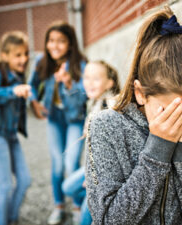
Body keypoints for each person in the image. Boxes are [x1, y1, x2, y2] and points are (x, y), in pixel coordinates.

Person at [85, 6, 182, 225]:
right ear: (140, 94)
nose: (180, 122)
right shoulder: (107, 127)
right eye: (170, 111)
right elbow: (108, 220)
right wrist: (158, 149)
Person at [28, 21, 87, 225]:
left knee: (71, 163)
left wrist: (69, 84)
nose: (54, 45)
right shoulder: (41, 61)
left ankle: (79, 204)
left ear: (70, 44)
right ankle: (59, 205)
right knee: (57, 165)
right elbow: (31, 86)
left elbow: (83, 99)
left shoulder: (80, 64)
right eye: (51, 40)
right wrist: (34, 103)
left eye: (61, 41)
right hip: (54, 119)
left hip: (74, 119)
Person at [62, 61, 120, 225]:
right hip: (92, 167)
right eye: (86, 78)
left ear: (110, 82)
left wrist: (94, 177)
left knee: (84, 220)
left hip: (104, 173)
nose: (89, 83)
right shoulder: (93, 103)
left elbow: (114, 150)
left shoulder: (111, 106)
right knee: (67, 187)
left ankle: (101, 208)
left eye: (96, 78)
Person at [0, 31, 32, 225]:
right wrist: (13, 90)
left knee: (25, 180)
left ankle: (11, 219)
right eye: (18, 55)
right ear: (5, 55)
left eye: (25, 54)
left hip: (11, 136)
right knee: (4, 185)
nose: (24, 59)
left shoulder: (19, 74)